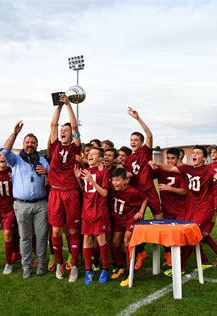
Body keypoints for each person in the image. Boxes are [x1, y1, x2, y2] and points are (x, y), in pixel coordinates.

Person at [149, 145, 217, 273]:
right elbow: (169, 167)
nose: (194, 155)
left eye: (197, 153)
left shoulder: (207, 169)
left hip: (204, 207)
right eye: (193, 153)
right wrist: (156, 163)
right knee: (199, 234)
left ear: (203, 158)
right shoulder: (186, 168)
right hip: (191, 207)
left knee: (190, 233)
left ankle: (179, 268)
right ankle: (211, 259)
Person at [2, 123, 50, 279]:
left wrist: (47, 173)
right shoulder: (15, 160)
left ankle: (41, 265)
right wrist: (14, 133)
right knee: (25, 237)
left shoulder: (42, 161)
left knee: (42, 236)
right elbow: (5, 150)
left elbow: (52, 180)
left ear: (37, 145)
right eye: (27, 143)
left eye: (33, 143)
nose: (30, 145)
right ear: (23, 144)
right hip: (21, 204)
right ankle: (26, 267)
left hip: (41, 203)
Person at [47, 94, 82, 282]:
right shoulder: (54, 146)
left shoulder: (75, 148)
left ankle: (74, 265)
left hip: (71, 193)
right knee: (55, 231)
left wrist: (68, 104)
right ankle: (60, 263)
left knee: (73, 231)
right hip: (55, 192)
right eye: (62, 129)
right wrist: (59, 105)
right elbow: (53, 125)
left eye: (66, 130)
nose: (63, 131)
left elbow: (75, 127)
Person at [124, 107, 163, 270]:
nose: (133, 142)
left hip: (149, 191)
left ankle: (167, 255)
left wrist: (138, 118)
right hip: (137, 196)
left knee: (160, 222)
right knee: (134, 226)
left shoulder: (145, 153)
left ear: (141, 143)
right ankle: (140, 252)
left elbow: (150, 135)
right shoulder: (127, 160)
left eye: (136, 140)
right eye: (131, 140)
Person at [75, 147, 111, 285]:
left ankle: (105, 269)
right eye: (89, 154)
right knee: (86, 239)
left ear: (100, 158)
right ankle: (89, 270)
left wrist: (92, 181)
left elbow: (104, 193)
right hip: (86, 210)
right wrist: (79, 179)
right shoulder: (86, 171)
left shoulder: (104, 173)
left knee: (101, 239)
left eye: (94, 154)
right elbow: (84, 190)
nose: (90, 155)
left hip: (99, 210)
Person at [108, 168, 147, 287]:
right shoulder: (112, 189)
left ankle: (129, 271)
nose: (115, 183)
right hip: (118, 219)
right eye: (113, 180)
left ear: (126, 181)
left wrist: (140, 211)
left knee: (127, 240)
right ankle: (119, 266)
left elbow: (145, 198)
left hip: (130, 219)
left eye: (118, 180)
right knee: (114, 241)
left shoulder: (132, 192)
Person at [150, 148, 188, 269]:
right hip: (166, 208)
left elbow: (185, 191)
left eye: (173, 158)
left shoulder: (183, 171)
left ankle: (183, 257)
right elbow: (148, 174)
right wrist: (149, 164)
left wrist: (169, 188)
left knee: (180, 235)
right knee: (166, 234)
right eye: (168, 158)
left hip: (181, 209)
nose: (170, 161)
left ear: (178, 159)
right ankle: (169, 256)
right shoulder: (161, 170)